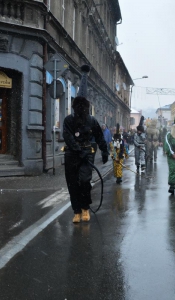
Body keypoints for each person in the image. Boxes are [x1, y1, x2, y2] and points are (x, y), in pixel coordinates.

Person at [62, 65, 109, 223]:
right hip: (72, 155)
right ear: (75, 107)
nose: (81, 109)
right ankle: (76, 211)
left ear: (87, 108)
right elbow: (67, 136)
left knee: (84, 182)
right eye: (79, 107)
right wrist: (76, 149)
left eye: (84, 107)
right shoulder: (69, 120)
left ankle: (85, 208)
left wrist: (104, 151)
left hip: (87, 154)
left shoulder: (91, 120)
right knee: (72, 184)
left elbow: (99, 136)